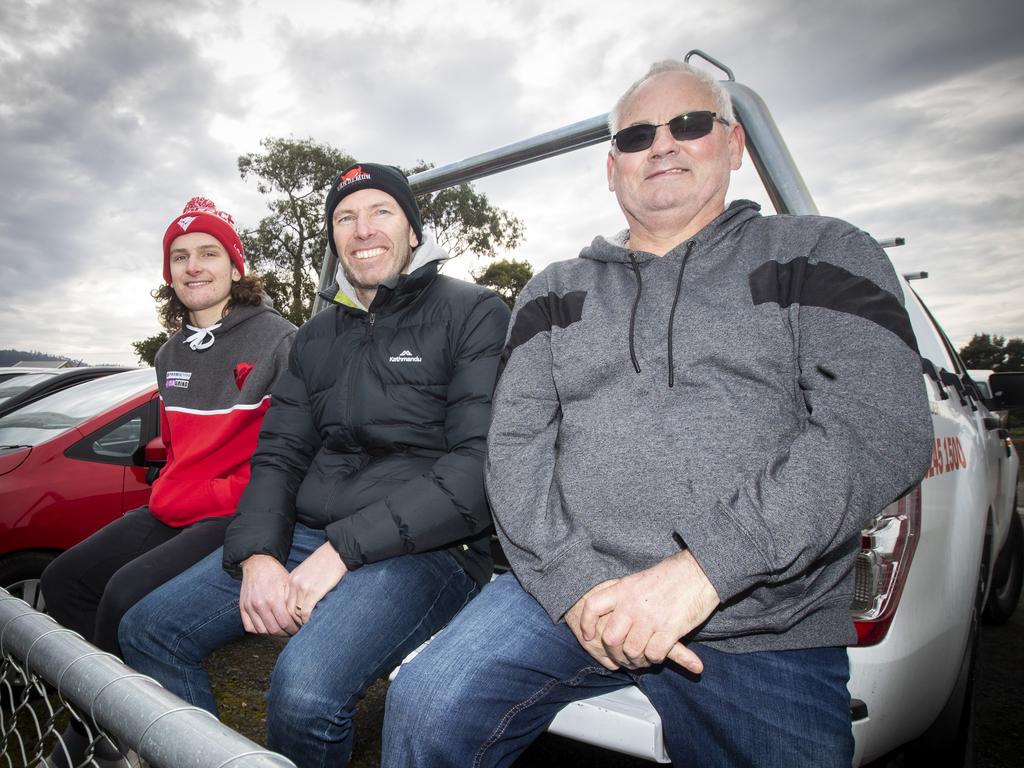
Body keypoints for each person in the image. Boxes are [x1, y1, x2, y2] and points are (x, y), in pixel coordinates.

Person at [382, 61, 934, 767]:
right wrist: (576, 585)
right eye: (639, 135)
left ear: (733, 146)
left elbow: (877, 426)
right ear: (612, 170)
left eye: (691, 124)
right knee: (426, 705)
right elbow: (515, 446)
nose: (664, 145)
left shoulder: (820, 254)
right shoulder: (553, 292)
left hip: (761, 619)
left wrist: (701, 572)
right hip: (566, 596)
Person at [118, 163, 510, 766]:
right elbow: (279, 455)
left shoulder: (474, 310)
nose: (362, 230)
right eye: (345, 218)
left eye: (381, 212)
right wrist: (258, 554)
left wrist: (343, 550)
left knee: (302, 692)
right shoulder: (317, 334)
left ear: (413, 230)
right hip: (312, 536)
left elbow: (477, 467)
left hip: (431, 547)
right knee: (149, 631)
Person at [40, 196, 295, 767]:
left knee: (126, 594)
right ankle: (97, 711)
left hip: (235, 510)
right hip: (172, 507)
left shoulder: (280, 340)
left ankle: (107, 735)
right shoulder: (168, 354)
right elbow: (178, 451)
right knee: (63, 581)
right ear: (168, 273)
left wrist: (226, 500)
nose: (193, 266)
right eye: (179, 257)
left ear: (236, 266)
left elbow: (291, 453)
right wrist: (174, 490)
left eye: (209, 253)